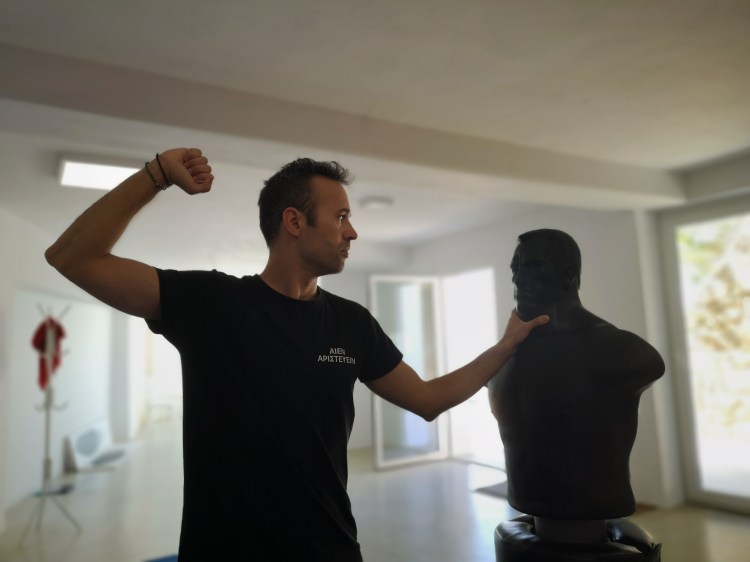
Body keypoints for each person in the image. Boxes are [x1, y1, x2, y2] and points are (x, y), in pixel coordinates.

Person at [45, 148, 548, 561]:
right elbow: (73, 257)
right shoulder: (214, 304)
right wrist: (155, 174)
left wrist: (505, 346)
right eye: (341, 217)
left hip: (329, 550)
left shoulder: (352, 323)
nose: (352, 232)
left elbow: (428, 399)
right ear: (294, 221)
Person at [488, 229, 665, 543]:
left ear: (567, 274)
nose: (518, 279)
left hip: (592, 504)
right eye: (515, 269)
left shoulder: (624, 351)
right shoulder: (504, 355)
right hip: (526, 501)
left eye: (531, 266)